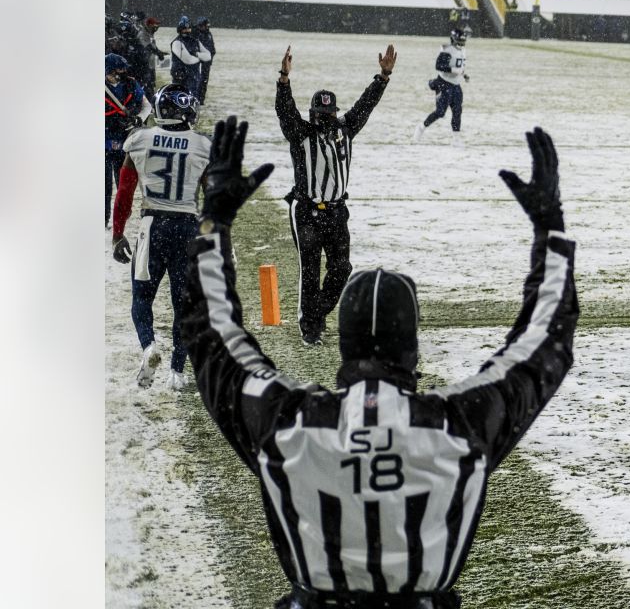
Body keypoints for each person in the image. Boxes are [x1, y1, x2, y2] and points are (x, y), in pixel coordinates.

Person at [182, 117, 577, 609]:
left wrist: (213, 223)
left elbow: (209, 334)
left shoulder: (289, 423)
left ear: (344, 345)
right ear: (413, 351)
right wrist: (550, 230)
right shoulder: (458, 424)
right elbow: (545, 341)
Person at [277, 43, 396, 345]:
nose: (326, 119)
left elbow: (365, 105)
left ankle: (315, 313)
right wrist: (283, 81)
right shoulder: (300, 134)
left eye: (330, 114)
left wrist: (382, 77)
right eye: (321, 114)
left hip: (336, 211)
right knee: (311, 269)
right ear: (313, 113)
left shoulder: (345, 130)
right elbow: (284, 111)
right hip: (306, 210)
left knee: (342, 268)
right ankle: (310, 326)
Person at [111, 84, 211, 389]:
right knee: (184, 304)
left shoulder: (140, 140)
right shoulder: (201, 145)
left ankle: (149, 346)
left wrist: (117, 233)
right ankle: (177, 372)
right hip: (187, 226)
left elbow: (125, 192)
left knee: (142, 296)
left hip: (153, 224)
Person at [105, 53, 150, 226]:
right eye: (118, 69)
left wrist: (139, 118)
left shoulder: (131, 84)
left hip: (125, 140)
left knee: (124, 184)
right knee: (103, 185)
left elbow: (147, 106)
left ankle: (121, 216)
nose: (122, 72)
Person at [416, 28, 468, 137]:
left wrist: (463, 74)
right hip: (444, 83)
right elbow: (439, 66)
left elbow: (460, 66)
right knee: (440, 112)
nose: (462, 43)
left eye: (463, 40)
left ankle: (456, 140)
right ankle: (421, 127)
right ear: (453, 39)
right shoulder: (447, 49)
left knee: (457, 112)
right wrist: (454, 70)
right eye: (460, 40)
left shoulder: (463, 50)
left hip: (456, 85)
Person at [170, 15, 211, 98]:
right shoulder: (176, 43)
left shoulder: (195, 41)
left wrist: (196, 54)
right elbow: (188, 60)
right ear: (180, 30)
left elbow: (208, 56)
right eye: (184, 28)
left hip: (194, 77)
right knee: (180, 99)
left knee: (193, 99)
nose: (187, 31)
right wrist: (199, 57)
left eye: (188, 28)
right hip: (181, 77)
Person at [194, 17, 216, 102]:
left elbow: (212, 48)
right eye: (206, 26)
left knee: (204, 81)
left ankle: (201, 98)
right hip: (199, 62)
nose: (207, 27)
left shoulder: (208, 34)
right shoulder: (197, 35)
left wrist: (210, 58)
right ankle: (197, 97)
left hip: (206, 63)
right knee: (198, 80)